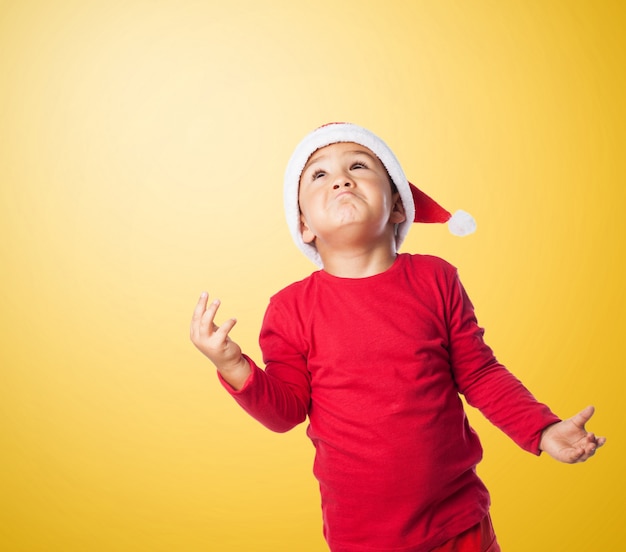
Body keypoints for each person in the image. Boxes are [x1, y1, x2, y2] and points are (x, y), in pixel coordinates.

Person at [190, 123, 605, 552]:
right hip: (364, 537)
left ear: (398, 207)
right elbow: (286, 413)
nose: (341, 179)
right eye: (318, 174)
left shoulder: (435, 278)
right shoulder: (290, 308)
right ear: (304, 225)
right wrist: (234, 366)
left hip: (459, 522)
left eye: (358, 165)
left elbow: (480, 374)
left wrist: (543, 430)